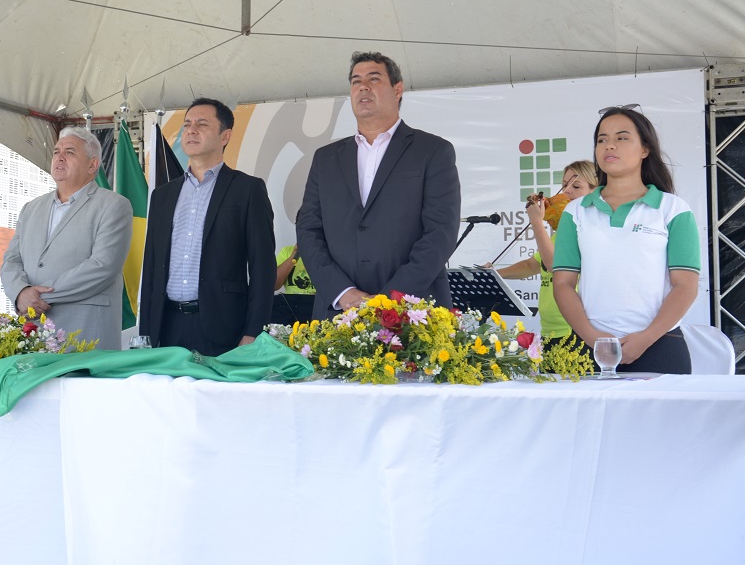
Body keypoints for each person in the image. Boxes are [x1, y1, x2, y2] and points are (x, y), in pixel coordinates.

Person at [297, 51, 460, 320]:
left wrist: (389, 300)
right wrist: (343, 292)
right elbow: (308, 229)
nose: (363, 87)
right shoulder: (325, 158)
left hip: (413, 312)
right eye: (356, 81)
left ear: (397, 90)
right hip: (338, 311)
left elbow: (440, 232)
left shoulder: (432, 151)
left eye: (374, 79)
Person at [553, 105, 701, 373]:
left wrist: (646, 338)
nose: (609, 145)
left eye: (622, 138)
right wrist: (593, 338)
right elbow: (563, 283)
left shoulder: (673, 209)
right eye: (602, 140)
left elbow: (685, 285)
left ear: (645, 149)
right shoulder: (575, 212)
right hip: (589, 348)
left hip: (660, 344)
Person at [139, 98, 275, 355]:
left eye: (202, 124)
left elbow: (263, 268)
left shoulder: (247, 190)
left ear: (225, 136)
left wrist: (253, 332)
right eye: (187, 124)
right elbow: (152, 266)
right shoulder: (162, 196)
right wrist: (145, 332)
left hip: (224, 326)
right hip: (167, 326)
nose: (191, 130)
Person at [0, 127, 132, 350]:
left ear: (92, 165)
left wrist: (38, 297)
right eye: (56, 152)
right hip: (35, 333)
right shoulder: (31, 208)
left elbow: (102, 266)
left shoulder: (114, 205)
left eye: (70, 152)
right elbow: (11, 260)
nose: (59, 157)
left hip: (86, 333)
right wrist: (20, 292)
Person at [485, 160, 596, 348]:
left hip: (576, 330)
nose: (566, 191)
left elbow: (554, 265)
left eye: (576, 186)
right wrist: (493, 274)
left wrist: (537, 223)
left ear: (595, 191)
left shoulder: (591, 230)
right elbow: (532, 265)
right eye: (564, 185)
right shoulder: (563, 231)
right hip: (550, 330)